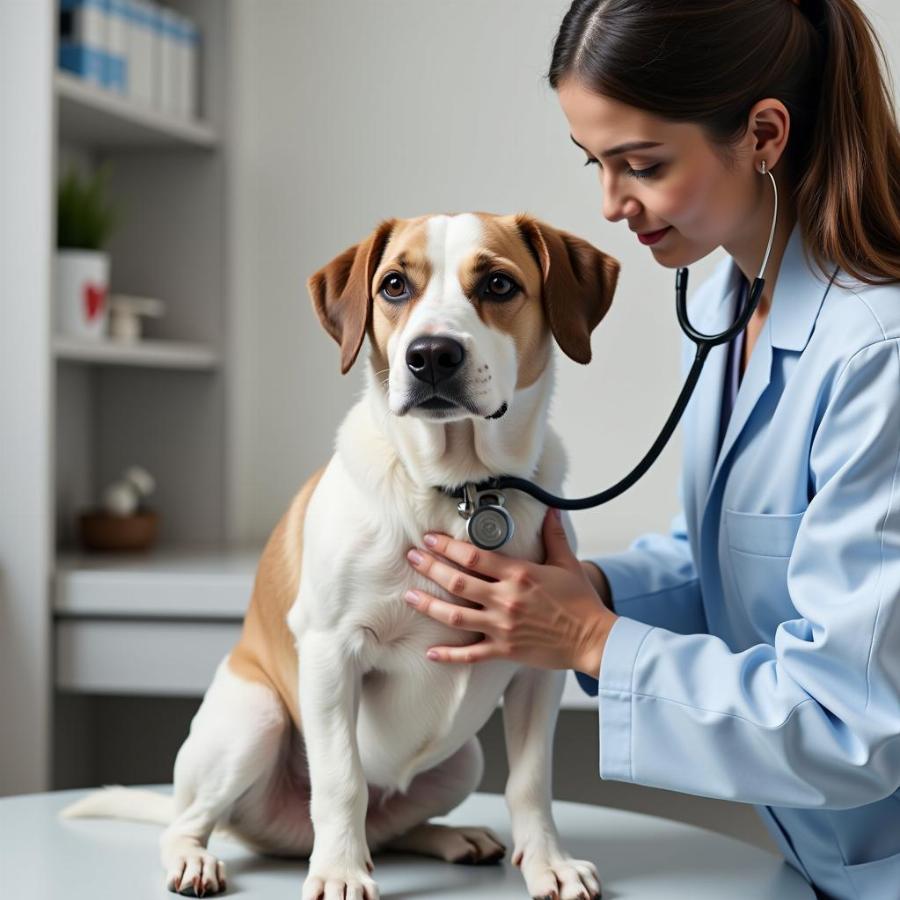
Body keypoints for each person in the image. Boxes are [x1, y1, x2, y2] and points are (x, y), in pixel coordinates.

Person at [400, 1, 900, 897]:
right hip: (823, 859)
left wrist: (593, 641)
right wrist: (591, 590)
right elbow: (734, 559)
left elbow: (853, 726)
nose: (609, 203)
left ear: (763, 135)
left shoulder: (879, 353)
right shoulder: (723, 303)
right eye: (595, 163)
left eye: (643, 165)